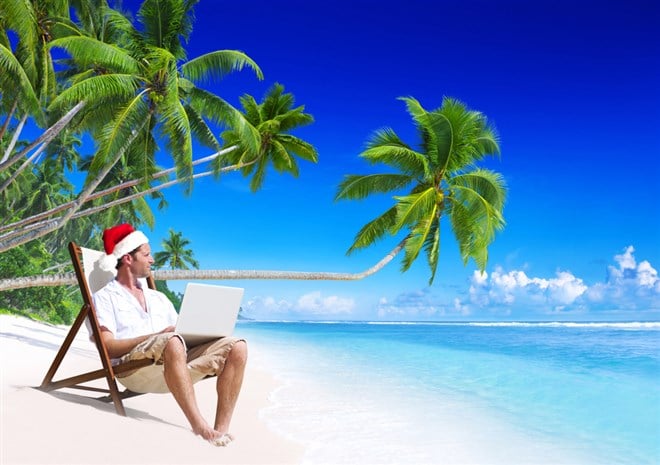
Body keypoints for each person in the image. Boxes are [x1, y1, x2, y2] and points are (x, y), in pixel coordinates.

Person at [92, 223, 247, 447]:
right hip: (134, 370)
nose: (152, 259)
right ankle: (198, 424)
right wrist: (157, 336)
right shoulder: (106, 297)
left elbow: (179, 334)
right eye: (146, 254)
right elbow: (108, 347)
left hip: (173, 365)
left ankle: (221, 430)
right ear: (127, 258)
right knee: (172, 341)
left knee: (237, 346)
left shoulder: (159, 298)